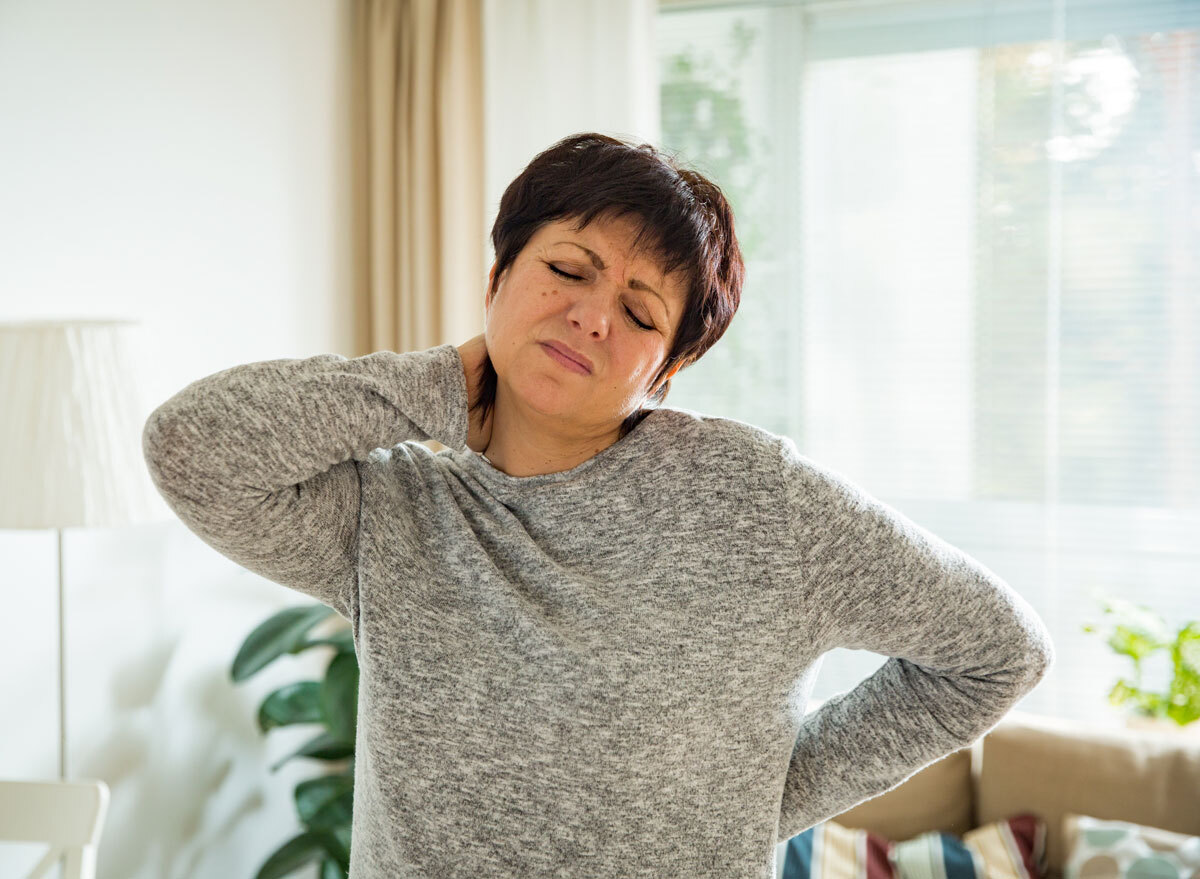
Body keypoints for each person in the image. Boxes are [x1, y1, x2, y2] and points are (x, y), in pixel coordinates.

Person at [142, 132, 1054, 879]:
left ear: (666, 370)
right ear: (497, 276)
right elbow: (193, 449)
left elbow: (996, 651)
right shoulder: (394, 512)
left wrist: (769, 792)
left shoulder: (759, 501)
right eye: (567, 269)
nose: (590, 316)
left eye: (641, 311)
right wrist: (447, 378)